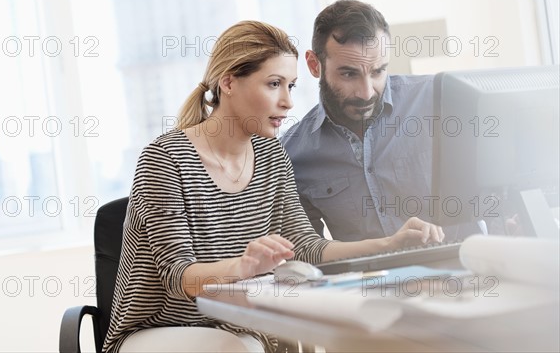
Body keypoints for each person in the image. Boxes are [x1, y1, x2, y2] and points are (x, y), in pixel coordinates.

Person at [103, 20, 444, 353]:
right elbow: (180, 279)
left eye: (291, 86)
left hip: (241, 328)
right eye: (273, 84)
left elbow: (307, 247)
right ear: (229, 82)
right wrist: (242, 267)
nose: (288, 101)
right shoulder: (165, 159)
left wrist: (390, 243)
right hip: (159, 331)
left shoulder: (271, 155)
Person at [281, 0, 481, 242]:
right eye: (348, 74)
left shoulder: (438, 102)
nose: (366, 92)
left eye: (377, 72)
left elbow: (500, 195)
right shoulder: (292, 154)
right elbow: (309, 252)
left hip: (464, 272)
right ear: (315, 65)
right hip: (369, 280)